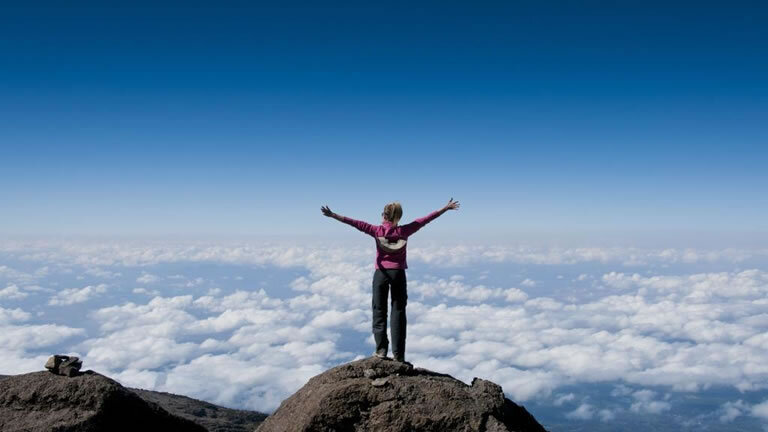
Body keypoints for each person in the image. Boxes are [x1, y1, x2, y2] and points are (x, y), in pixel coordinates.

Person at [321, 198, 460, 363]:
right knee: (398, 313)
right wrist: (445, 208)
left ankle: (381, 350)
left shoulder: (376, 230)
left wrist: (333, 215)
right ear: (398, 218)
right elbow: (426, 220)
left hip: (381, 274)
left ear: (384, 215)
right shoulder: (405, 231)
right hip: (398, 274)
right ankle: (399, 356)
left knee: (379, 311)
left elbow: (354, 223)